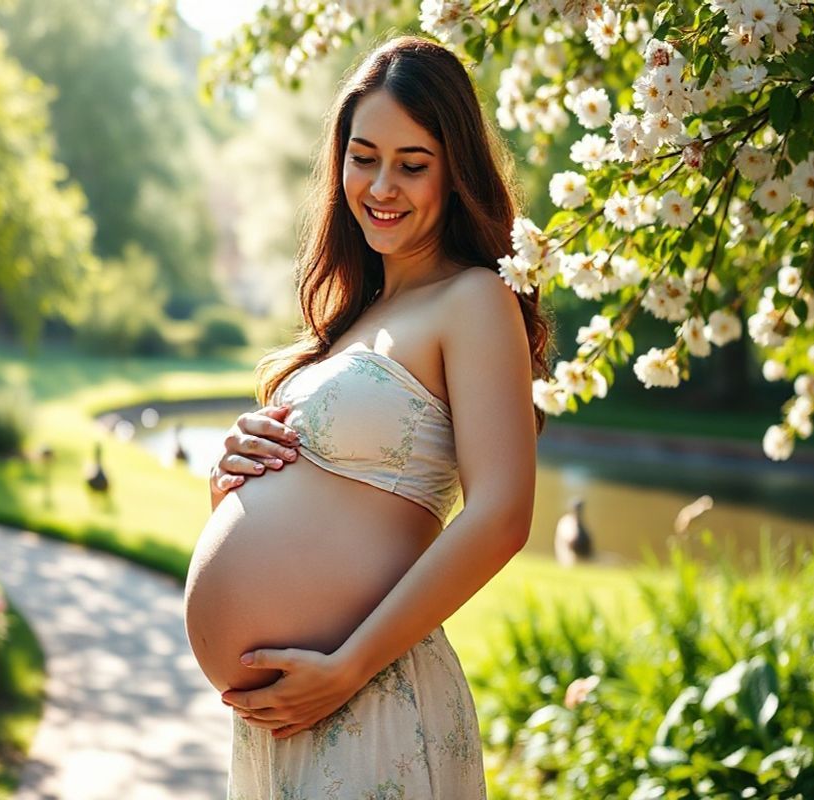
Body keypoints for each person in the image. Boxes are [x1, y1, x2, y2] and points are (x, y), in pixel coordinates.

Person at [185, 34, 550, 799]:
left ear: (456, 172)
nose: (381, 185)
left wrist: (347, 667)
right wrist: (235, 478)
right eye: (363, 156)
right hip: (282, 719)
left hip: (369, 695)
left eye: (412, 164)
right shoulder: (354, 319)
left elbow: (503, 515)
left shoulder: (474, 299)